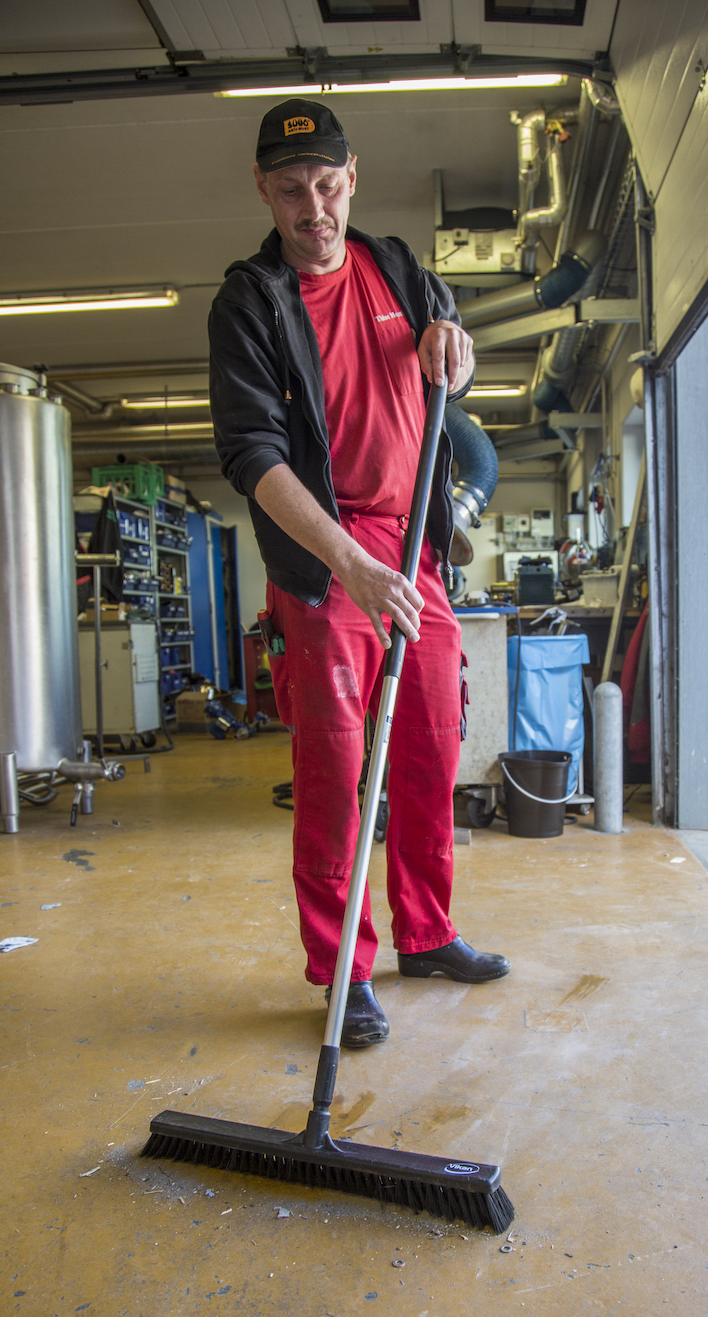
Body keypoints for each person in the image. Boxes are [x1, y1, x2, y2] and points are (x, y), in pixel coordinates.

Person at [209, 99, 510, 1049]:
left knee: (428, 744)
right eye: (293, 191)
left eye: (328, 185)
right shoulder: (250, 301)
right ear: (264, 189)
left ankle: (425, 934)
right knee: (339, 771)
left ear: (353, 177)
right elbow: (254, 460)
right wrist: (350, 563)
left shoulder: (395, 264)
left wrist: (454, 357)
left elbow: (448, 366)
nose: (314, 208)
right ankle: (343, 968)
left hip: (413, 547)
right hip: (327, 559)